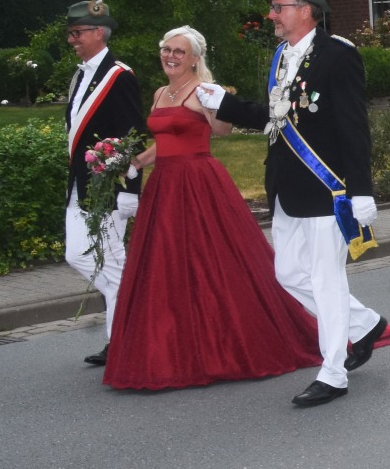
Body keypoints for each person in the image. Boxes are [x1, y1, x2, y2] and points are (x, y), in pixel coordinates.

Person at [196, 0, 390, 408]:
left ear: (306, 9)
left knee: (326, 280)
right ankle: (364, 325)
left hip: (326, 188)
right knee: (288, 274)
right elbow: (274, 116)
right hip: (287, 187)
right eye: (273, 7)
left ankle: (333, 372)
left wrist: (361, 189)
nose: (271, 15)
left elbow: (354, 127)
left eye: (278, 7)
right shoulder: (282, 56)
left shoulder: (338, 55)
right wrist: (224, 103)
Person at [105, 27, 330, 391]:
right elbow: (165, 140)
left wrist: (216, 104)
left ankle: (220, 346)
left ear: (195, 58)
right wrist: (133, 162)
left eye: (179, 51)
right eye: (166, 49)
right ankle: (169, 348)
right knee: (165, 265)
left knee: (210, 262)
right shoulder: (160, 93)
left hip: (197, 184)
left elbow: (222, 132)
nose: (170, 56)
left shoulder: (203, 91)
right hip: (163, 186)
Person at [63, 0, 144, 366]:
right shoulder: (80, 75)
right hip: (81, 184)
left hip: (110, 187)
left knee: (109, 264)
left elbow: (133, 136)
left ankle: (123, 342)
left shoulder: (119, 76)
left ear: (99, 32)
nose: (71, 40)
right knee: (80, 255)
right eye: (71, 33)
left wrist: (129, 190)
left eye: (77, 33)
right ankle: (133, 328)